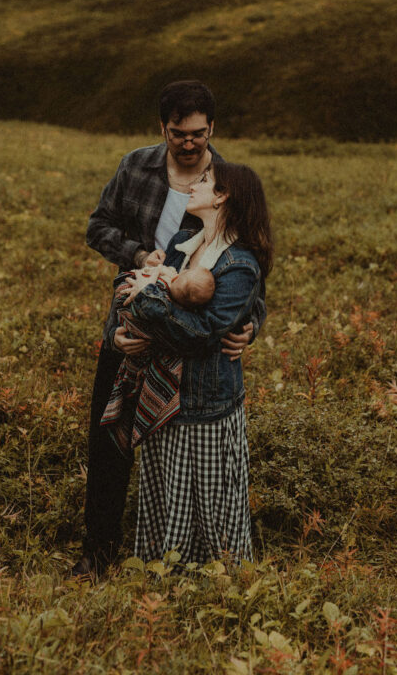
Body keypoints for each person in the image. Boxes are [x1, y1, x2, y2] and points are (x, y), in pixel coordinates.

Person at [72, 80, 266, 577]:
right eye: (179, 133)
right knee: (110, 437)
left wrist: (254, 324)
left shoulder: (225, 182)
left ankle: (179, 553)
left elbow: (246, 271)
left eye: (198, 134)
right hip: (133, 321)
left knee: (169, 445)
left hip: (185, 337)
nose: (189, 143)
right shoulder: (135, 166)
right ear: (163, 129)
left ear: (212, 129)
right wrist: (140, 258)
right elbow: (98, 227)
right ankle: (98, 551)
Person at [118, 159, 273, 564]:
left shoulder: (239, 264)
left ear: (221, 196)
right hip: (164, 389)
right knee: (167, 490)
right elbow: (152, 297)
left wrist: (148, 300)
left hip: (205, 401)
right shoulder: (184, 241)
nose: (194, 185)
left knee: (209, 498)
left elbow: (200, 333)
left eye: (205, 180)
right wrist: (127, 328)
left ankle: (214, 581)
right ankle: (164, 575)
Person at [99, 263, 215, 457]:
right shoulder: (177, 300)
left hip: (141, 342)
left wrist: (152, 283)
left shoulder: (162, 290)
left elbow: (133, 286)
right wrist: (113, 337)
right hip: (136, 341)